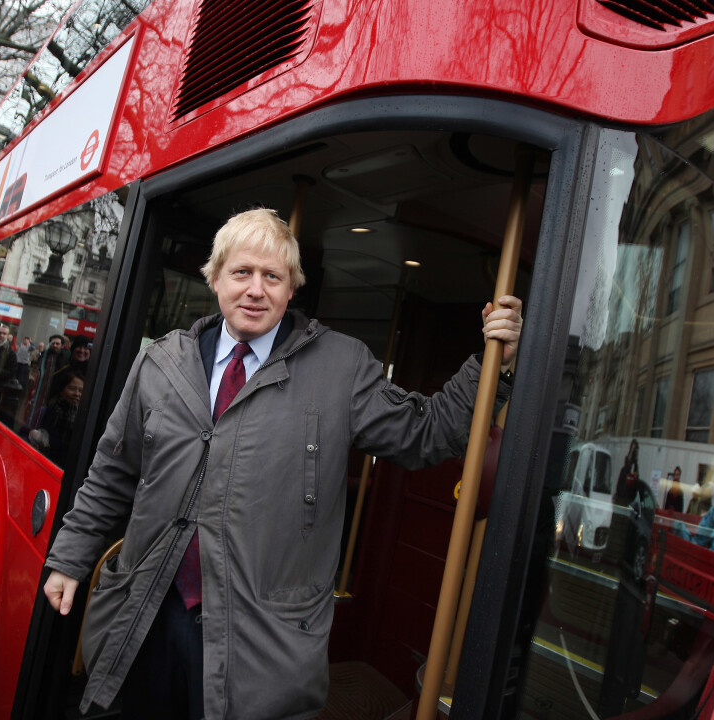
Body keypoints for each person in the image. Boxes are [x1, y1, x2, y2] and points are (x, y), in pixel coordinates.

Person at [41, 208, 523, 719]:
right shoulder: (160, 362)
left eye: (272, 276)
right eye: (242, 272)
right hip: (147, 616)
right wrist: (71, 559)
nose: (255, 289)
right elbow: (112, 474)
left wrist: (496, 364)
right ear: (216, 278)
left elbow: (426, 432)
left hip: (257, 647)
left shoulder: (341, 366)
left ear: (291, 288)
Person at [29, 373, 84, 467]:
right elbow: (25, 434)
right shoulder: (45, 412)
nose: (77, 394)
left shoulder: (83, 421)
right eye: (72, 388)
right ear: (62, 390)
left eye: (81, 390)